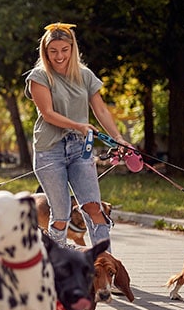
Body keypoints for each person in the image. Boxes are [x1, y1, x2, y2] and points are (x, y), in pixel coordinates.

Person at [26, 22, 128, 249]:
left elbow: (100, 109)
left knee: (94, 207)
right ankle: (58, 266)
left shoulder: (84, 75)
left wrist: (118, 138)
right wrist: (79, 125)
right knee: (61, 214)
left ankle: (105, 266)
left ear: (72, 49)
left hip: (80, 148)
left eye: (64, 50)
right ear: (45, 51)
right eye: (53, 51)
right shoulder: (39, 76)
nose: (59, 56)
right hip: (49, 150)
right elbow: (48, 113)